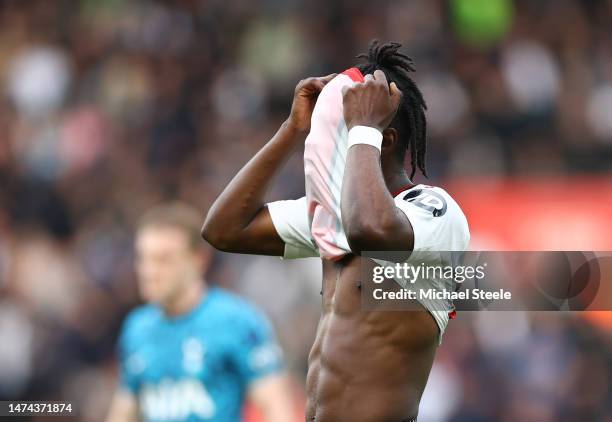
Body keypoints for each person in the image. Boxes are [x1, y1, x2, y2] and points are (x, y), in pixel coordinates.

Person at [203, 40, 469, 421]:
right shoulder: (334, 217)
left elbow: (369, 230)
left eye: (338, 137)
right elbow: (224, 229)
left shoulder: (435, 213)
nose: (322, 150)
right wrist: (292, 130)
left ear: (383, 140)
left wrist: (363, 130)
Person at [106, 202, 293, 422]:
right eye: (143, 258)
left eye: (163, 259)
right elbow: (123, 411)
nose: (149, 271)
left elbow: (278, 411)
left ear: (199, 259)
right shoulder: (137, 328)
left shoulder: (237, 320)